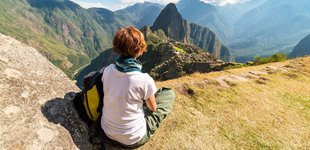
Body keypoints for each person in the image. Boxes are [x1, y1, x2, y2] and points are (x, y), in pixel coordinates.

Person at [100, 26, 176, 148]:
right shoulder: (144, 79)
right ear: (139, 49)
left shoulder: (107, 71)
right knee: (168, 93)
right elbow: (153, 108)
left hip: (107, 131)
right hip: (132, 139)